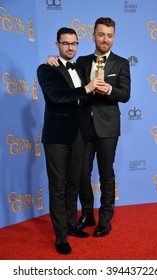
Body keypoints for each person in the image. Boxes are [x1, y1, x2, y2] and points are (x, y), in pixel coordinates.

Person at [45, 17, 131, 238]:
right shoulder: (81, 60)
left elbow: (125, 94)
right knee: (81, 175)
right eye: (101, 34)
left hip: (108, 128)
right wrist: (52, 60)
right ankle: (87, 215)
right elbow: (67, 76)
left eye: (109, 35)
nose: (105, 39)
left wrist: (110, 89)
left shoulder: (121, 63)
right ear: (93, 36)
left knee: (106, 175)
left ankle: (104, 219)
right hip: (81, 128)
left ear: (114, 37)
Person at [37, 27, 106, 254]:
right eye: (65, 43)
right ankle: (60, 236)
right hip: (57, 136)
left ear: (78, 45)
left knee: (74, 184)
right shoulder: (47, 69)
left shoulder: (80, 67)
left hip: (80, 135)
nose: (70, 47)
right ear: (57, 44)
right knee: (57, 186)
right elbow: (56, 97)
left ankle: (68, 224)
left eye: (74, 43)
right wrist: (85, 88)